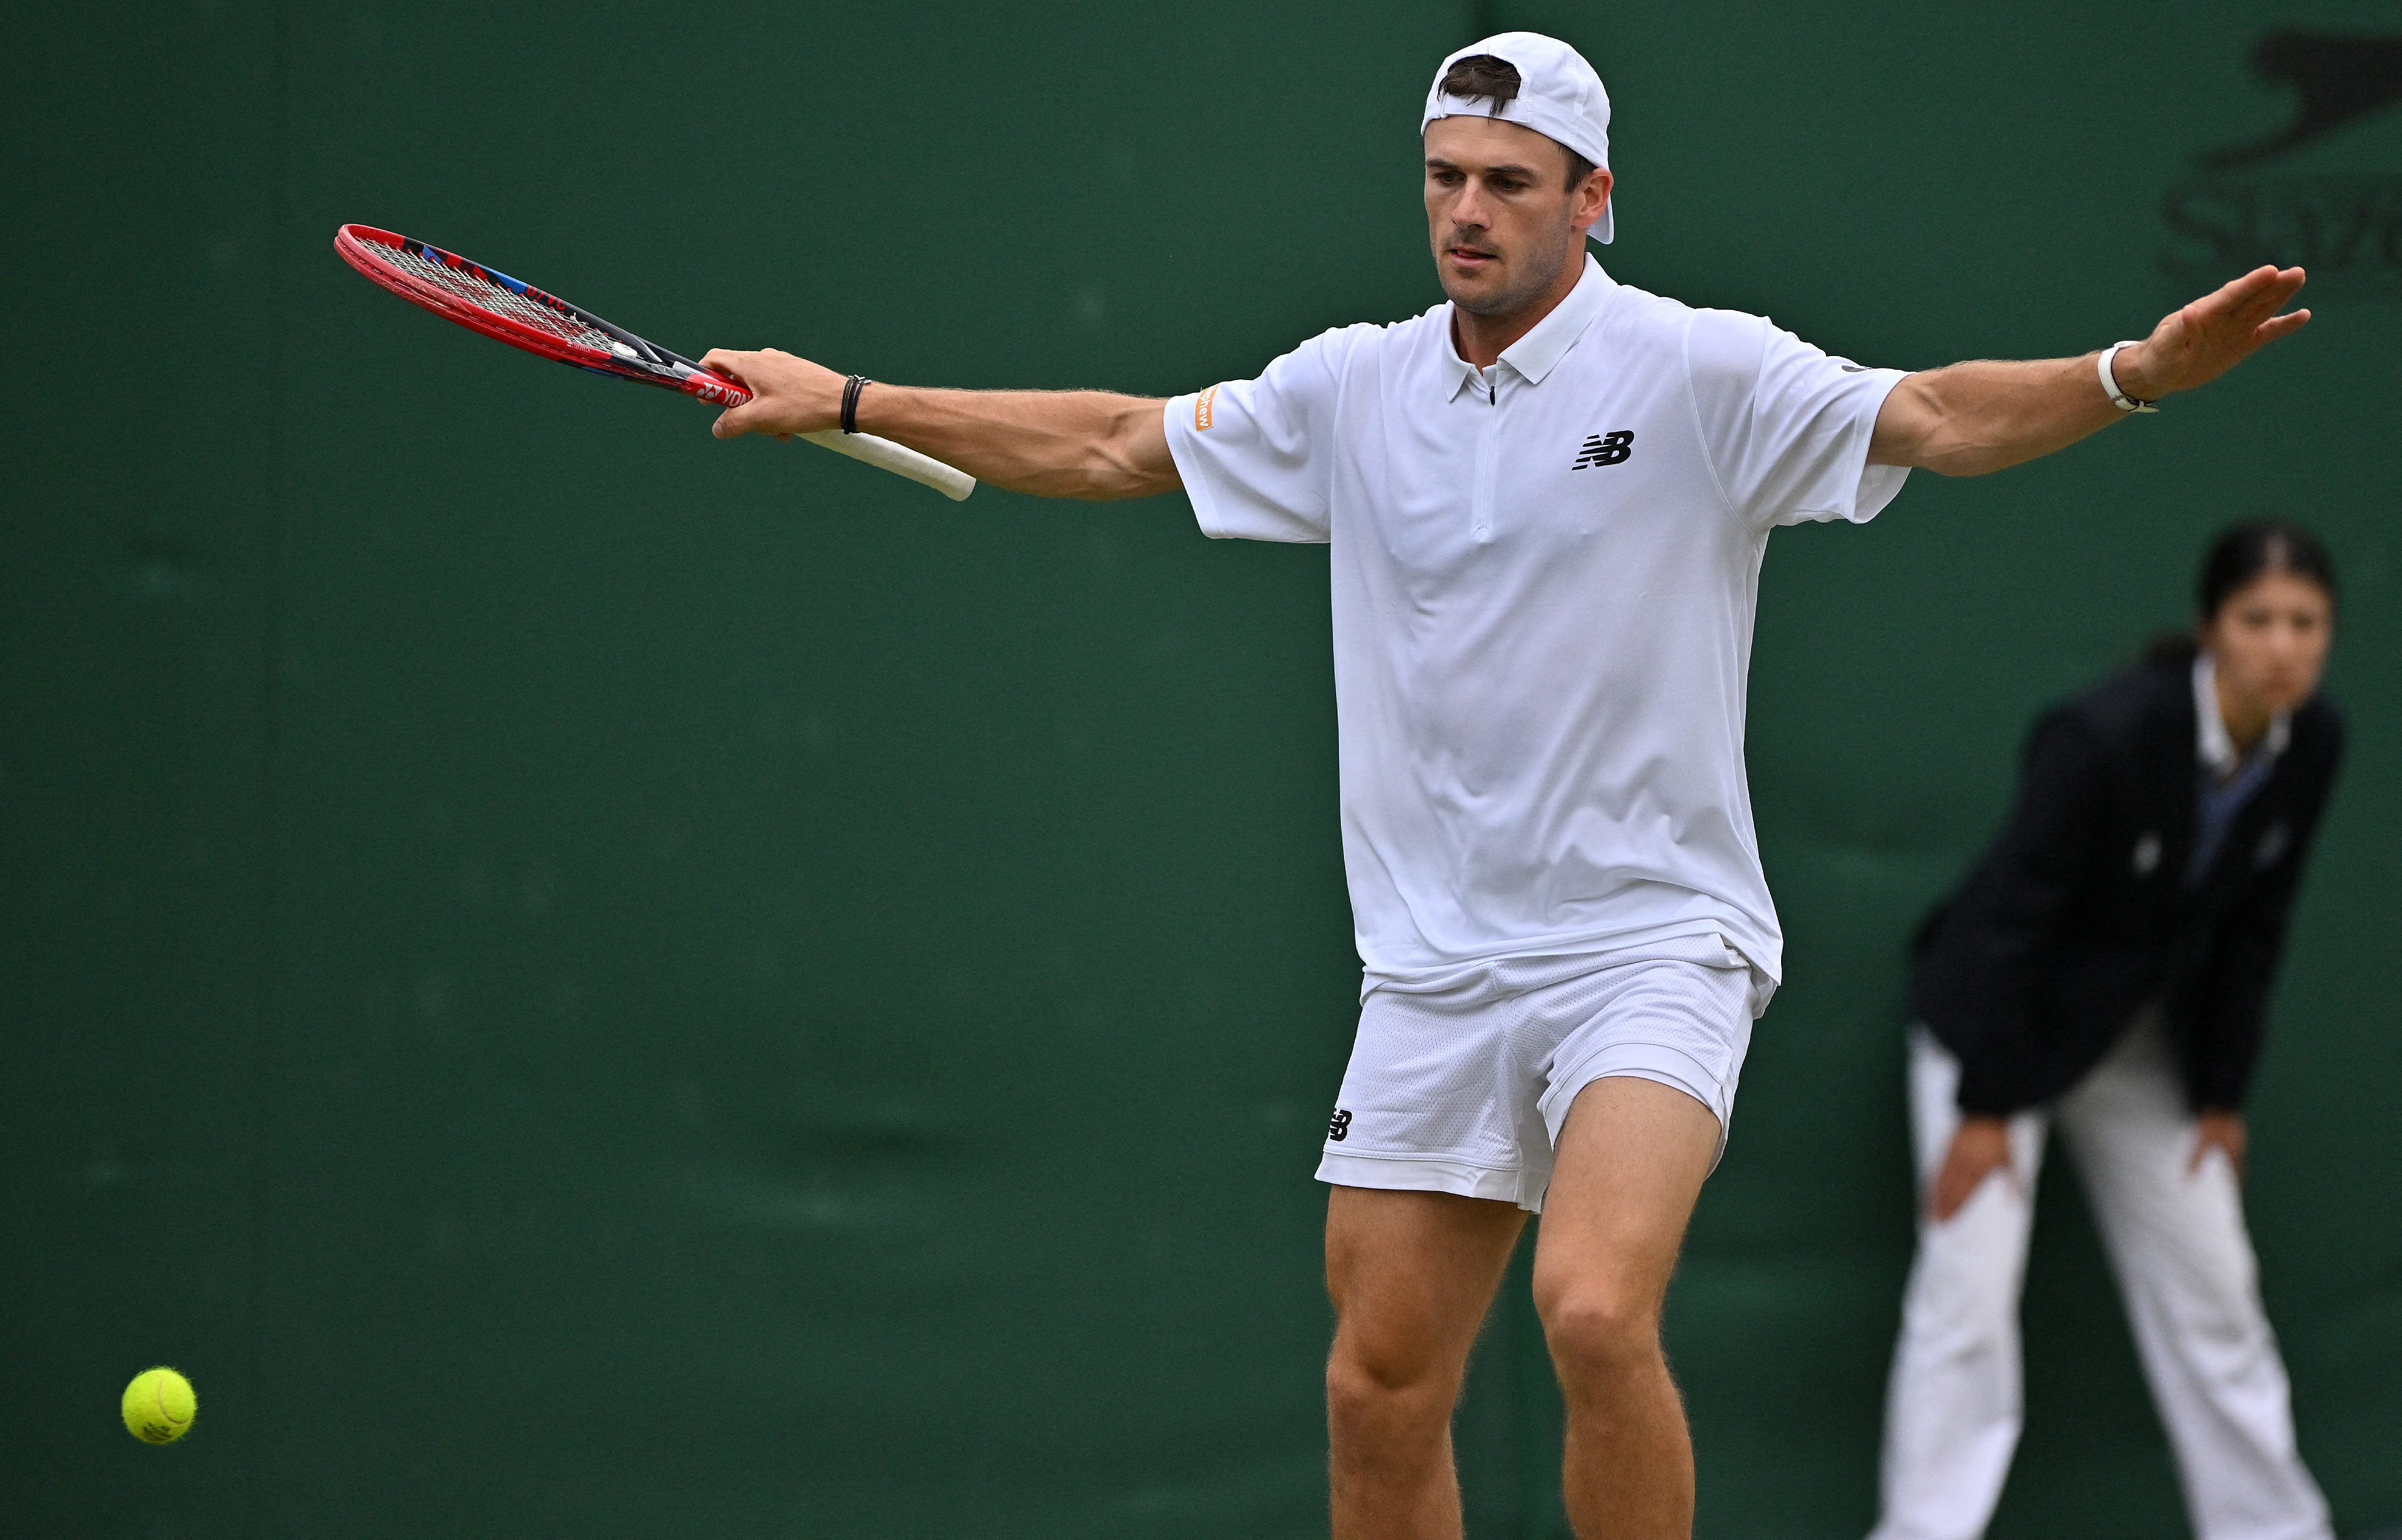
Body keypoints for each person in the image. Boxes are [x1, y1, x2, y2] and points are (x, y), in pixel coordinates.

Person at [697, 33, 2312, 1540]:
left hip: (1651, 944)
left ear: (1592, 198)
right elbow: (1120, 439)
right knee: (1376, 1380)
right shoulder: (1352, 385)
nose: (1466, 212)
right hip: (1431, 966)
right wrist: (848, 397)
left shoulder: (1697, 371)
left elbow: (1940, 416)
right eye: (1445, 177)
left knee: (1597, 1308)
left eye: (1509, 182)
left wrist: (2132, 375)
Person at [1871, 521, 2344, 1540]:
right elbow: (2013, 926)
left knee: (2215, 1277)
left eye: (2306, 623)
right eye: (2258, 619)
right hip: (1995, 1029)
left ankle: (2276, 1528)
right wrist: (1986, 1108)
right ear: (2212, 627)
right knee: (1968, 1286)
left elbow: (2256, 927)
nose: (2283, 646)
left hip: (2133, 1045)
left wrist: (2219, 1098)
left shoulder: (2313, 745)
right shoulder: (2104, 736)